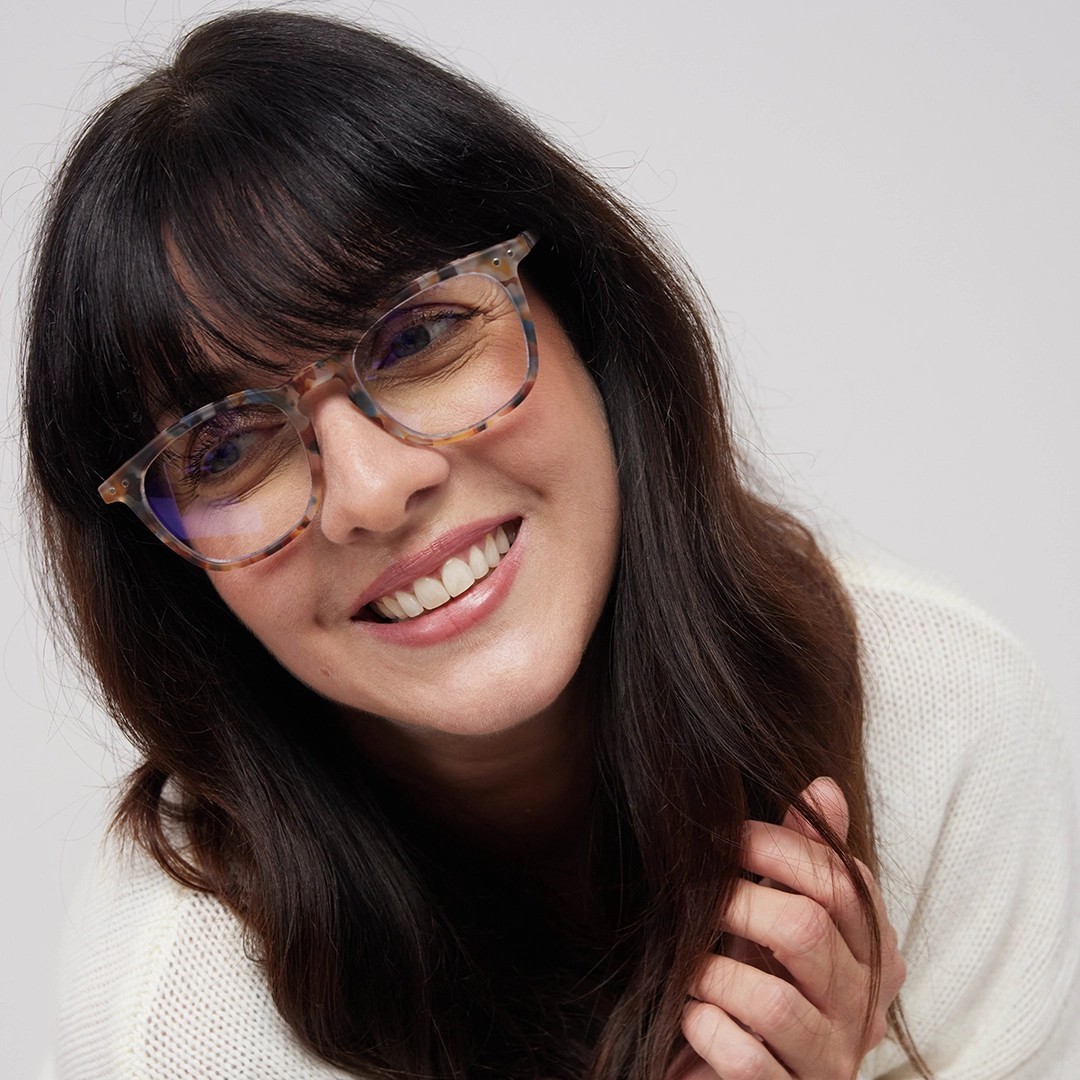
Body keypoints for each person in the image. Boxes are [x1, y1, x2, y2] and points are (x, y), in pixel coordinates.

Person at [24, 9, 1077, 1080]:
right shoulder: (181, 1017)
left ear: (582, 311)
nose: (376, 492)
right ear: (163, 568)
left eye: (422, 336)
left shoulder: (941, 723)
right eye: (227, 447)